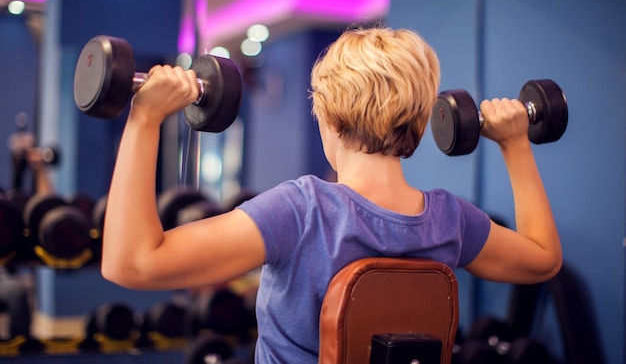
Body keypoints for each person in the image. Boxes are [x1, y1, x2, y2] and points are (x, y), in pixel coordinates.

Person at [101, 26, 562, 363]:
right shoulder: (451, 221)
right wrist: (516, 143)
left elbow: (131, 262)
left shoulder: (301, 212)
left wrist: (145, 119)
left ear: (330, 120)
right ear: (423, 124)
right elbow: (544, 258)